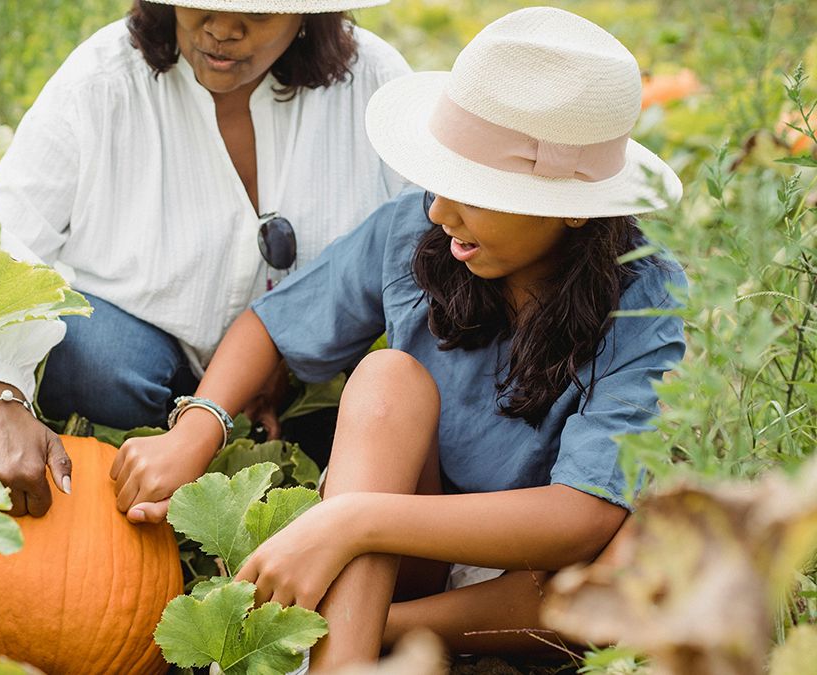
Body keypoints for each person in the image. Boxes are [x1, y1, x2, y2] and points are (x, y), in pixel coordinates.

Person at [110, 6, 686, 670]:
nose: (440, 210)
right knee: (388, 379)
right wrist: (198, 426)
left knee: (641, 558)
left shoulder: (645, 299)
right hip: (409, 543)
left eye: (475, 190)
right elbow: (270, 323)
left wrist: (350, 521)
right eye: (442, 179)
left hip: (536, 584)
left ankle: (365, 629)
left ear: (574, 209)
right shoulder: (418, 232)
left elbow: (580, 519)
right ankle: (345, 659)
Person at [0, 0, 411, 518]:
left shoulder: (373, 84)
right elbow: (7, 235)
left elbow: (425, 242)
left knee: (370, 397)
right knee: (90, 359)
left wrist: (290, 350)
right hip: (144, 362)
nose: (221, 29)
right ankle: (167, 450)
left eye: (259, 14)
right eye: (199, 3)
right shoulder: (100, 80)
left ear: (308, 13)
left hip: (307, 375)